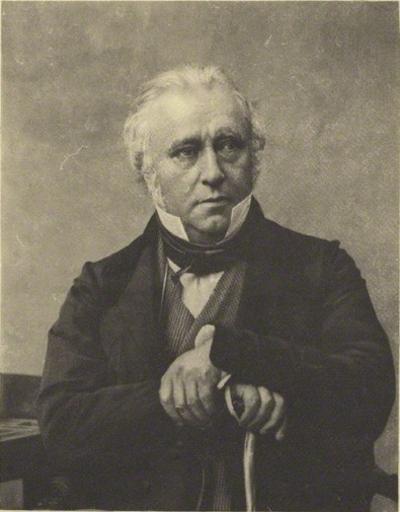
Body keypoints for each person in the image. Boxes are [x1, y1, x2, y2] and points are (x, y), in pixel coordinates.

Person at [37, 65, 395, 511]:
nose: (213, 172)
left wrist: (230, 354)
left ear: (254, 158)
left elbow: (369, 393)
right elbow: (61, 427)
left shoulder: (320, 266)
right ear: (147, 170)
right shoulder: (103, 284)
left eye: (229, 145)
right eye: (186, 151)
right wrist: (204, 395)